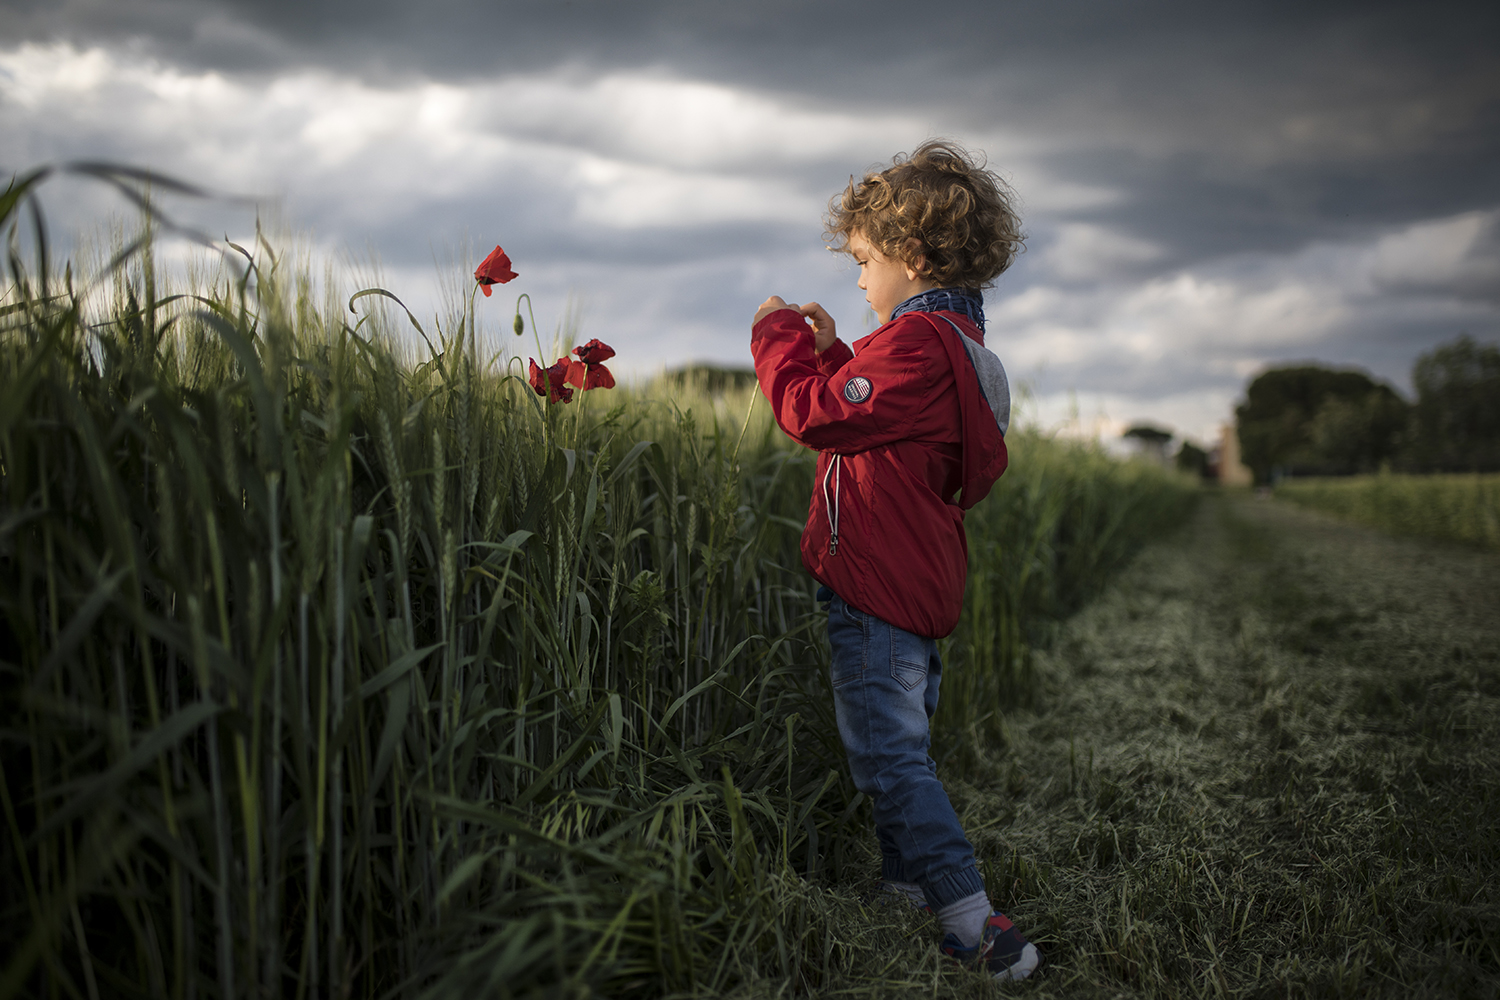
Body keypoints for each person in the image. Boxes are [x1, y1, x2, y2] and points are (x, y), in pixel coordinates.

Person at [748, 140, 1038, 981]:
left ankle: (974, 924)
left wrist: (777, 337)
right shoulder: (949, 347)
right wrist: (838, 357)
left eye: (864, 263)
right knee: (902, 745)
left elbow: (815, 417)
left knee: (887, 757)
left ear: (911, 257)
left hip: (876, 590)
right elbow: (881, 426)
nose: (860, 282)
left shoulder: (915, 348)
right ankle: (907, 890)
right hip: (914, 581)